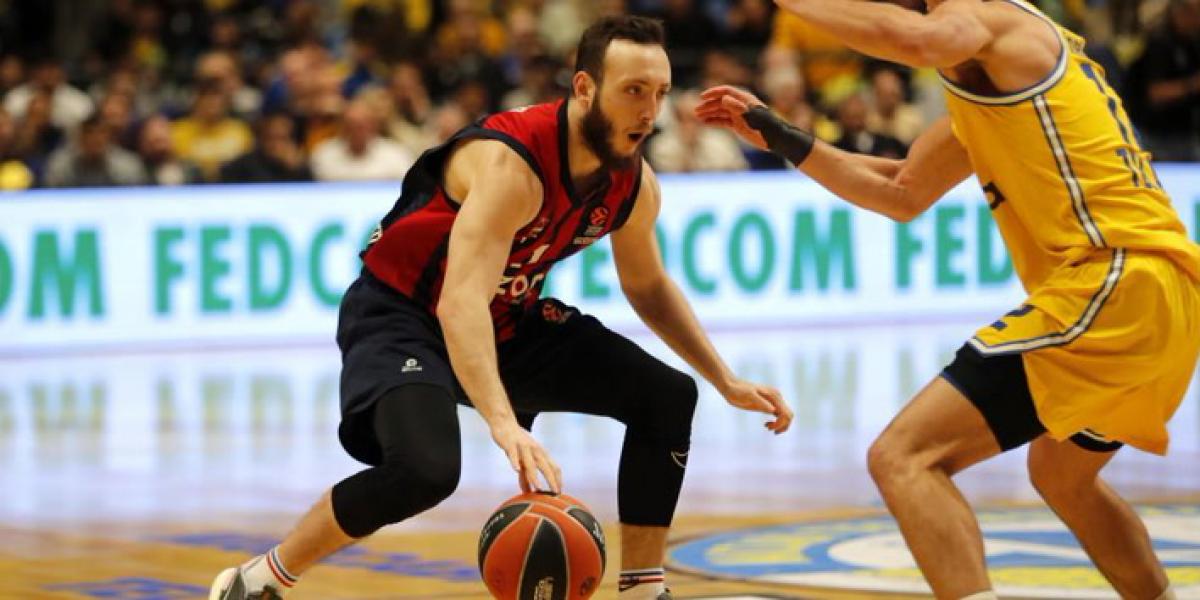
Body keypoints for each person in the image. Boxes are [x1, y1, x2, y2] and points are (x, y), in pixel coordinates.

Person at [210, 15, 792, 600]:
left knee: (668, 396)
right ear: (584, 88)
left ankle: (643, 590)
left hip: (505, 316)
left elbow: (647, 286)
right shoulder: (513, 164)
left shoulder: (634, 184)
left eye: (660, 93)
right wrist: (502, 421)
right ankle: (260, 580)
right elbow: (458, 301)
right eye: (633, 91)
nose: (649, 112)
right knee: (424, 471)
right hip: (404, 313)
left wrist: (724, 378)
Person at [696, 0, 1200, 597]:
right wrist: (781, 136)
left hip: (1115, 280)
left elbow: (918, 41)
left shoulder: (989, 19)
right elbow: (901, 190)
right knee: (1062, 474)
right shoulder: (997, 77)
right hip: (1164, 294)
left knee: (904, 456)